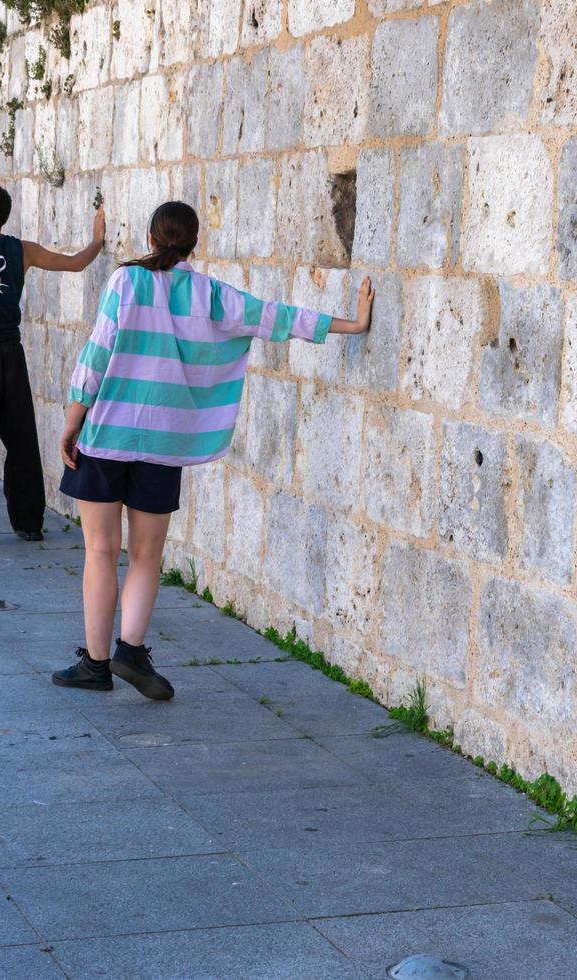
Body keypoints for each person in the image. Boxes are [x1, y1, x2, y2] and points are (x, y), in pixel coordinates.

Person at [51, 201, 373, 700]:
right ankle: (131, 650)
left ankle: (95, 665)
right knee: (146, 555)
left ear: (151, 237)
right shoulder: (210, 295)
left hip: (108, 436)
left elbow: (97, 352)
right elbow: (275, 317)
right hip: (164, 443)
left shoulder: (125, 282)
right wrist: (350, 324)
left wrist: (74, 418)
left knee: (99, 550)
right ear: (193, 244)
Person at [0, 184, 107, 546]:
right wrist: (97, 240)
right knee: (22, 440)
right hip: (12, 354)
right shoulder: (22, 250)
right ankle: (29, 522)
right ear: (5, 217)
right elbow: (74, 263)